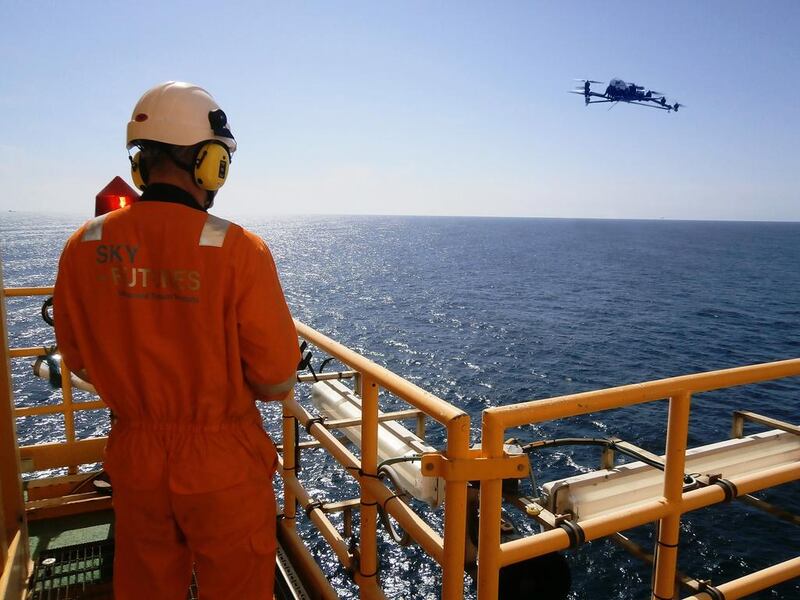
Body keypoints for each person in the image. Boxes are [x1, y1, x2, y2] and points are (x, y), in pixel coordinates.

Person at [53, 81, 300, 600]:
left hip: (136, 454)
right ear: (210, 163)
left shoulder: (85, 245)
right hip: (221, 463)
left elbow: (77, 357)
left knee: (146, 582)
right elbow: (277, 378)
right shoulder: (238, 250)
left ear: (141, 165)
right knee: (237, 586)